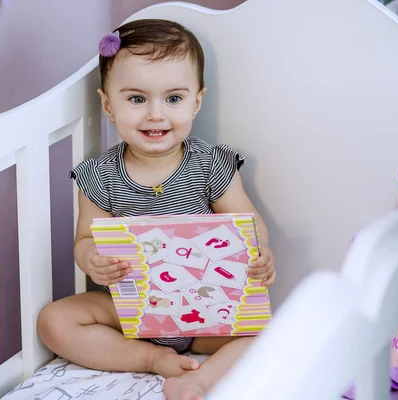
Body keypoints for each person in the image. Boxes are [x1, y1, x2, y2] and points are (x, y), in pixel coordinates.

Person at [37, 18, 276, 400]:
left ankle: (200, 379)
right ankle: (149, 358)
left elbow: (248, 222)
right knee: (54, 322)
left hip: (206, 309)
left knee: (272, 332)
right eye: (136, 99)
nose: (155, 114)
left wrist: (260, 251)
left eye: (174, 99)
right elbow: (85, 238)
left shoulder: (211, 164)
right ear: (108, 105)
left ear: (196, 102)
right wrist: (91, 258)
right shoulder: (98, 175)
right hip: (130, 310)